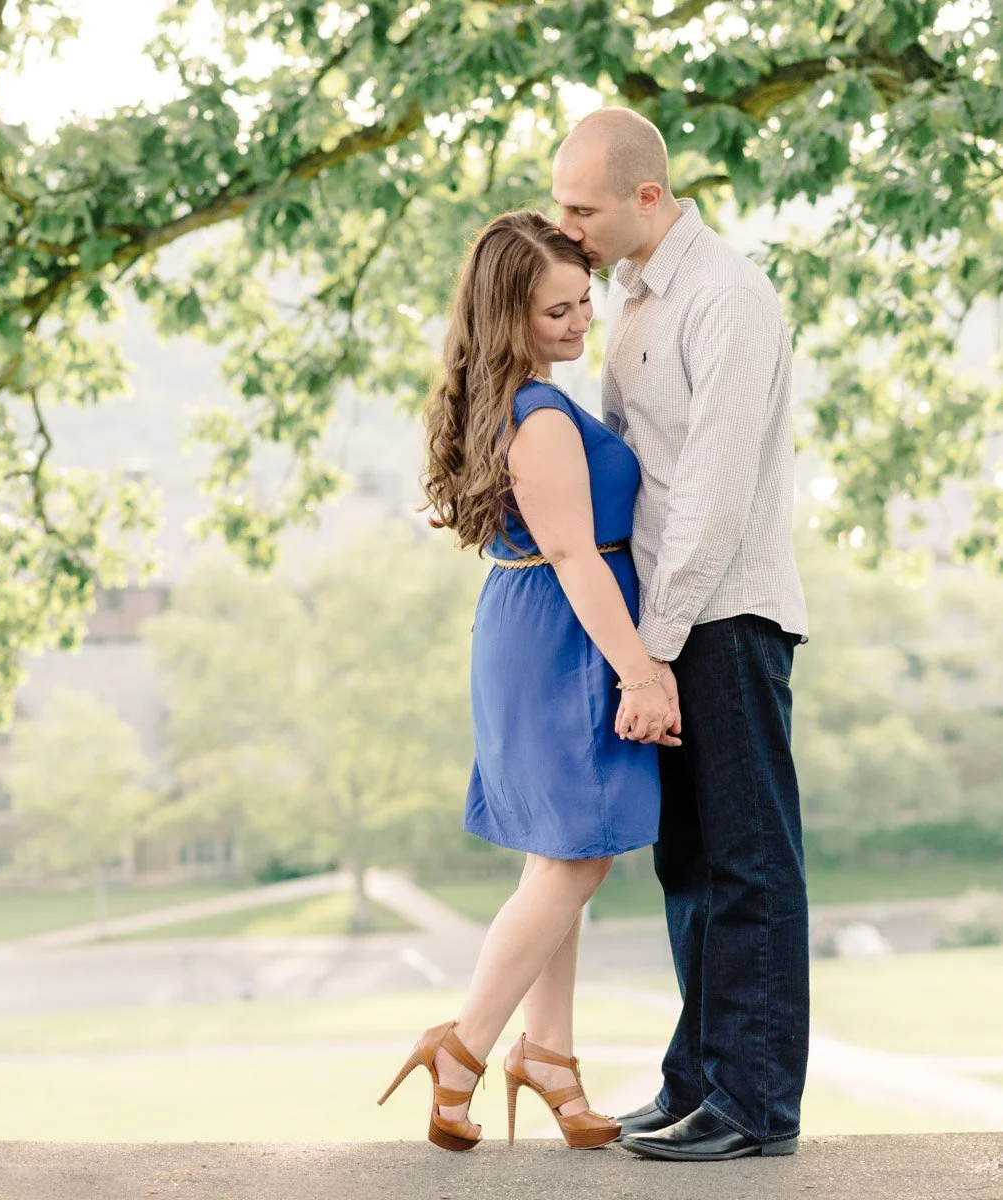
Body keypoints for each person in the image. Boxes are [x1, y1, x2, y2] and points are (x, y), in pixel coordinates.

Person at [381, 209, 678, 1152]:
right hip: (568, 637)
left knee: (559, 856)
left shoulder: (502, 397)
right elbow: (576, 555)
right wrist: (641, 675)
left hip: (528, 627)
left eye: (583, 298)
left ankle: (547, 1053)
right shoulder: (539, 414)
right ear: (509, 316)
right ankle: (463, 1048)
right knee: (580, 856)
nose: (581, 318)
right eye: (557, 309)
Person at [551, 107, 811, 1162]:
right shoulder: (633, 299)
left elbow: (709, 495)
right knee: (690, 862)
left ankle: (754, 1110)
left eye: (583, 207)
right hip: (667, 620)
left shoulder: (728, 301)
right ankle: (697, 1080)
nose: (564, 225)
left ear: (647, 198)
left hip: (723, 617)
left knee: (748, 863)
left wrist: (652, 646)